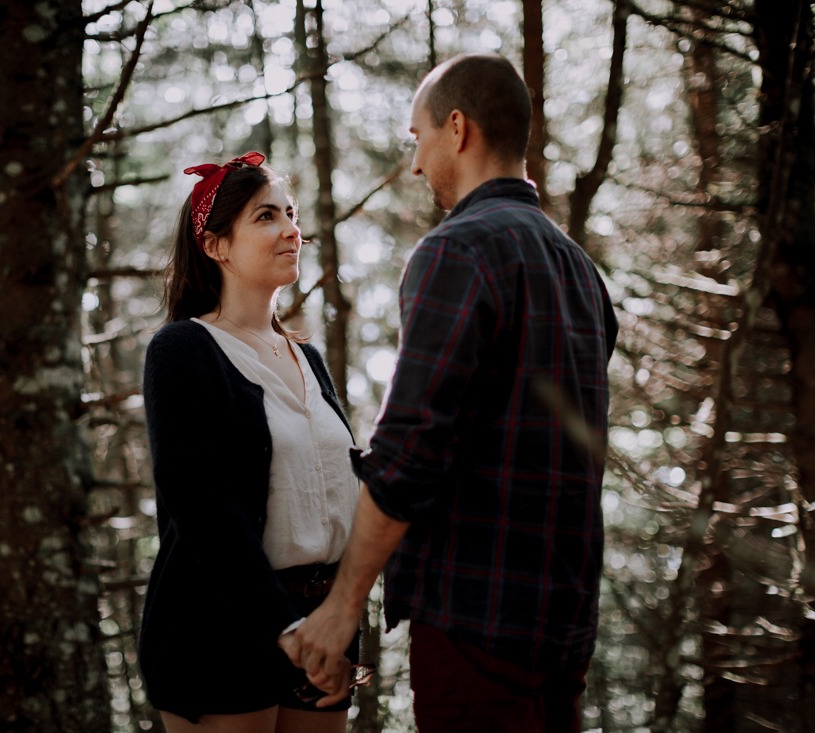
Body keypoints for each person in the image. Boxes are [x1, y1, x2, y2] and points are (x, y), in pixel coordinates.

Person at [279, 53, 619, 732]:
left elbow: (409, 450)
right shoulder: (583, 272)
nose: (414, 164)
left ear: (457, 129)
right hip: (564, 629)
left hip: (477, 627)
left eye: (418, 139)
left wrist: (343, 606)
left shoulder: (457, 250)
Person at [139, 151, 365, 733]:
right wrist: (281, 627)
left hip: (321, 623)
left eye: (291, 214)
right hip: (220, 624)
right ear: (216, 246)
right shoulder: (183, 350)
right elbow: (199, 504)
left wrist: (338, 615)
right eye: (267, 217)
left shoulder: (308, 358)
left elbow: (339, 487)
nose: (292, 230)